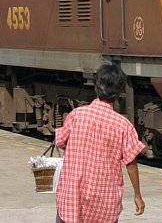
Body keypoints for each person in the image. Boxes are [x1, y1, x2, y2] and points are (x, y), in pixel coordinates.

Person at [54, 63, 145, 223]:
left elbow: (60, 141)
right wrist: (137, 195)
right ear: (120, 93)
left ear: (96, 87)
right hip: (104, 202)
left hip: (73, 197)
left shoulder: (76, 115)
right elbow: (131, 163)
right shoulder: (123, 125)